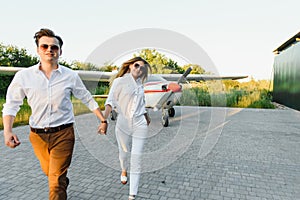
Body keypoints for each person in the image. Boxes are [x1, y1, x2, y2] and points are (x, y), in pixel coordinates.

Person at [2, 28, 108, 200]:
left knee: (55, 181)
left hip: (64, 133)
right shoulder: (24, 76)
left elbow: (86, 98)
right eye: (45, 46)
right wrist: (7, 131)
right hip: (38, 136)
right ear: (38, 50)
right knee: (52, 174)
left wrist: (102, 119)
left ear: (60, 51)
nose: (50, 50)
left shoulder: (70, 76)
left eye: (54, 47)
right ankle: (62, 182)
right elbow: (11, 105)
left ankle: (60, 184)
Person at [104, 57, 151, 200]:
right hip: (123, 122)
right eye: (136, 65)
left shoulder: (140, 85)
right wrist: (103, 120)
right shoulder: (120, 82)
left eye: (142, 68)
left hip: (139, 123)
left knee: (136, 158)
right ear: (130, 66)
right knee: (124, 153)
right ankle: (124, 170)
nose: (139, 69)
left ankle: (132, 195)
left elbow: (141, 104)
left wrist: (146, 116)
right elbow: (110, 101)